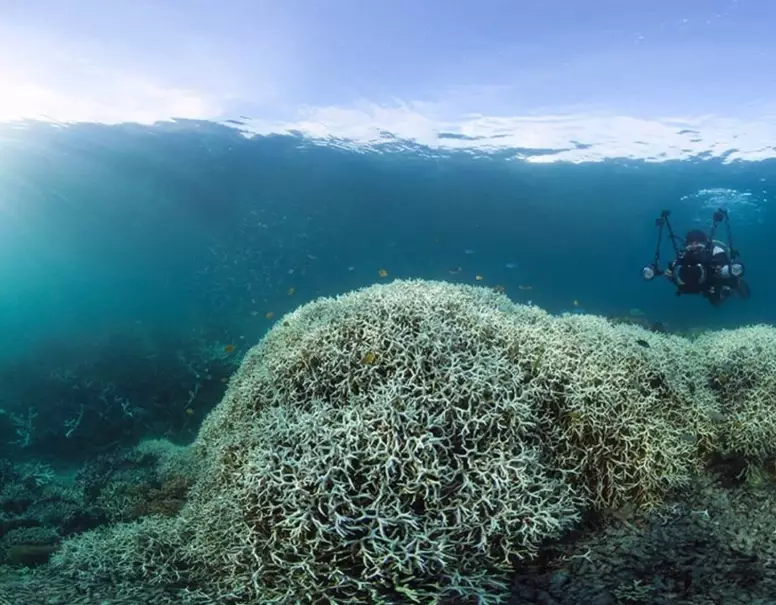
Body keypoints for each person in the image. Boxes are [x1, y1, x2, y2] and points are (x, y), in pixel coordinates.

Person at [642, 209, 750, 307]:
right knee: (716, 302)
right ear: (686, 244)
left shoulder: (715, 251)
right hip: (701, 285)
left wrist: (720, 269)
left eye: (698, 243)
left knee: (718, 299)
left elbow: (725, 267)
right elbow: (673, 271)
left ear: (705, 243)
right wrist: (669, 274)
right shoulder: (683, 255)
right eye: (690, 243)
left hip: (714, 281)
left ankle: (732, 290)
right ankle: (728, 292)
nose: (694, 246)